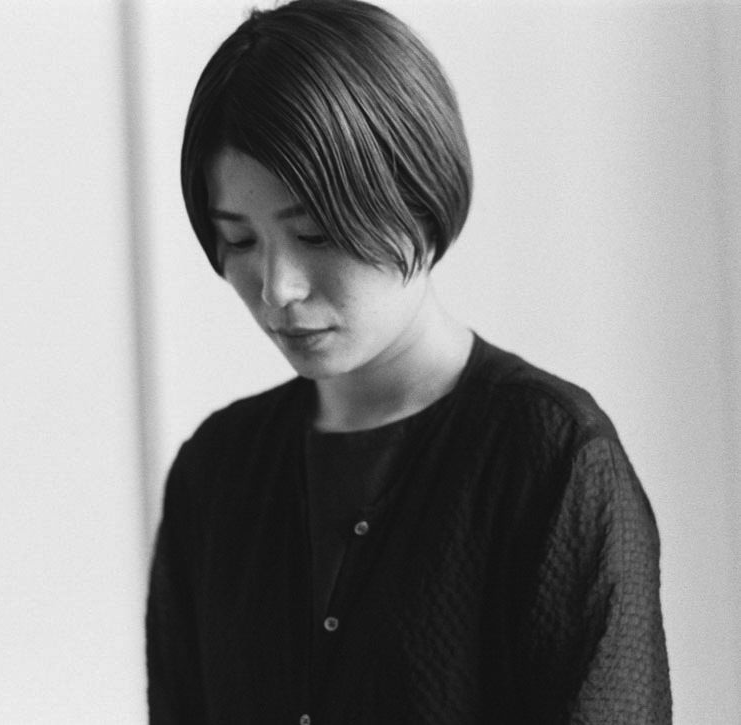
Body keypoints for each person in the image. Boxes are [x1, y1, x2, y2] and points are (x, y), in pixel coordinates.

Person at [145, 0, 671, 722]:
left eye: (315, 233)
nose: (276, 288)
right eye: (239, 241)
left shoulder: (551, 460)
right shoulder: (215, 473)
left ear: (418, 202)